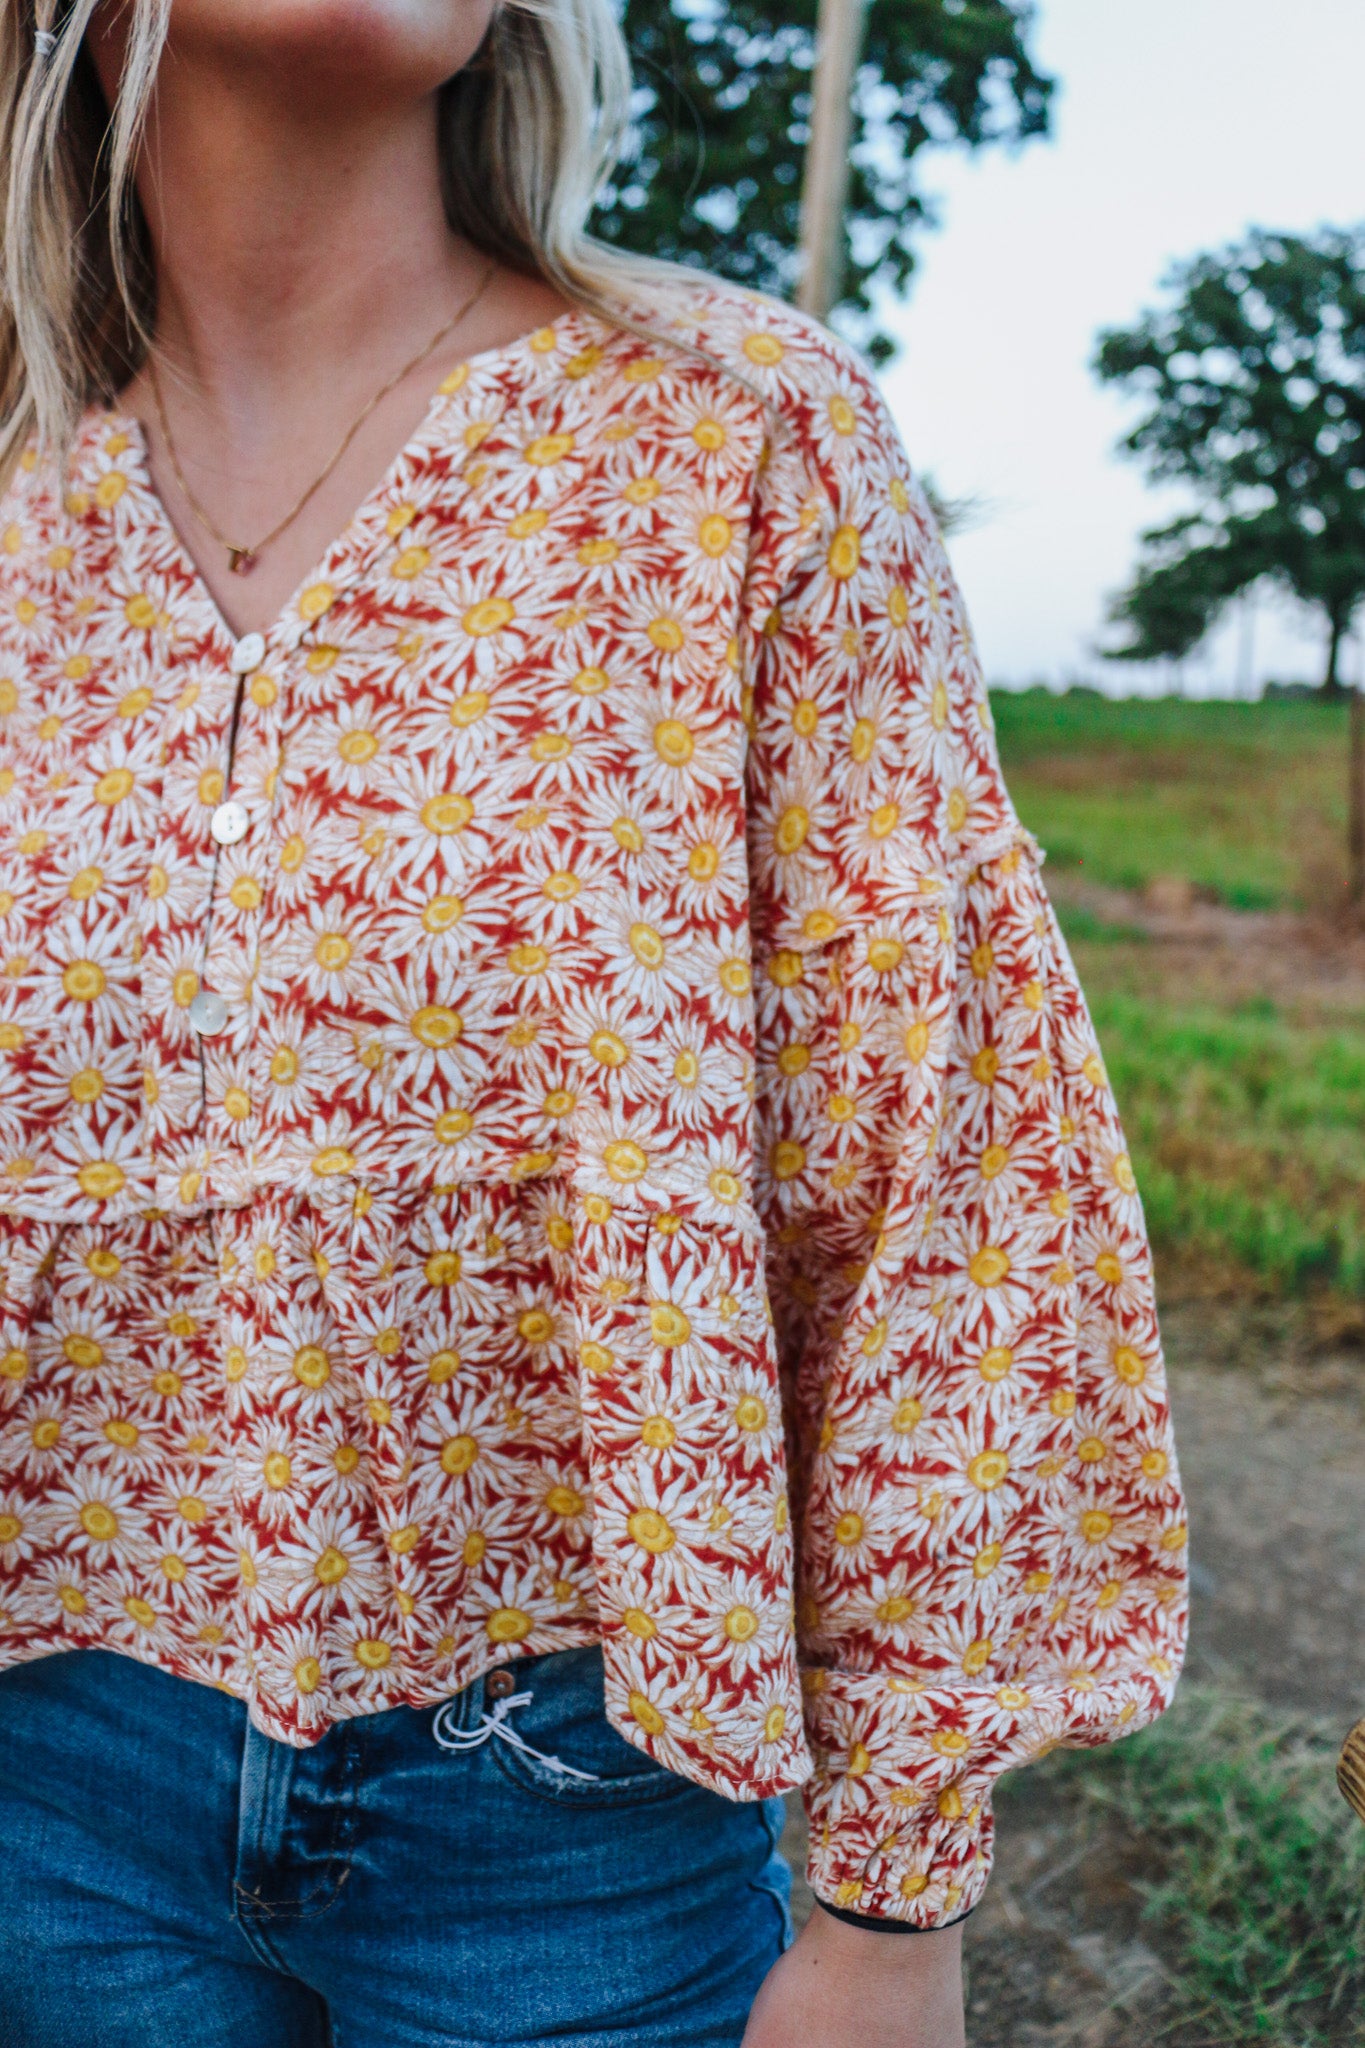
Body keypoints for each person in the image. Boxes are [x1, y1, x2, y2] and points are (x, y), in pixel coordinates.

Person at [0, 3, 1188, 2044]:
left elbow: (938, 1171)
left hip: (574, 1813)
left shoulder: (726, 441)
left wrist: (892, 1910)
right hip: (43, 1792)